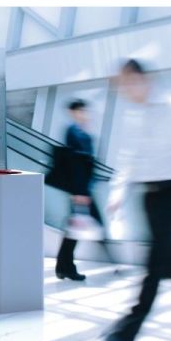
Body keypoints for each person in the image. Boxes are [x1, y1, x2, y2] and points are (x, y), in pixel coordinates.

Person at [103, 59, 171, 341]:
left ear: (143, 78)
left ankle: (125, 333)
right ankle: (125, 333)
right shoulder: (136, 115)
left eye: (128, 83)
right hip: (150, 198)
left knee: (155, 265)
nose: (126, 91)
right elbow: (129, 159)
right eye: (121, 86)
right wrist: (117, 193)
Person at [55, 100, 114, 281]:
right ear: (73, 112)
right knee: (86, 226)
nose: (84, 114)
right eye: (80, 111)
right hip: (81, 191)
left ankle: (64, 266)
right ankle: (113, 263)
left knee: (74, 229)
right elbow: (75, 164)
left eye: (84, 111)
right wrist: (79, 192)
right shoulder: (73, 132)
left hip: (84, 189)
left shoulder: (82, 132)